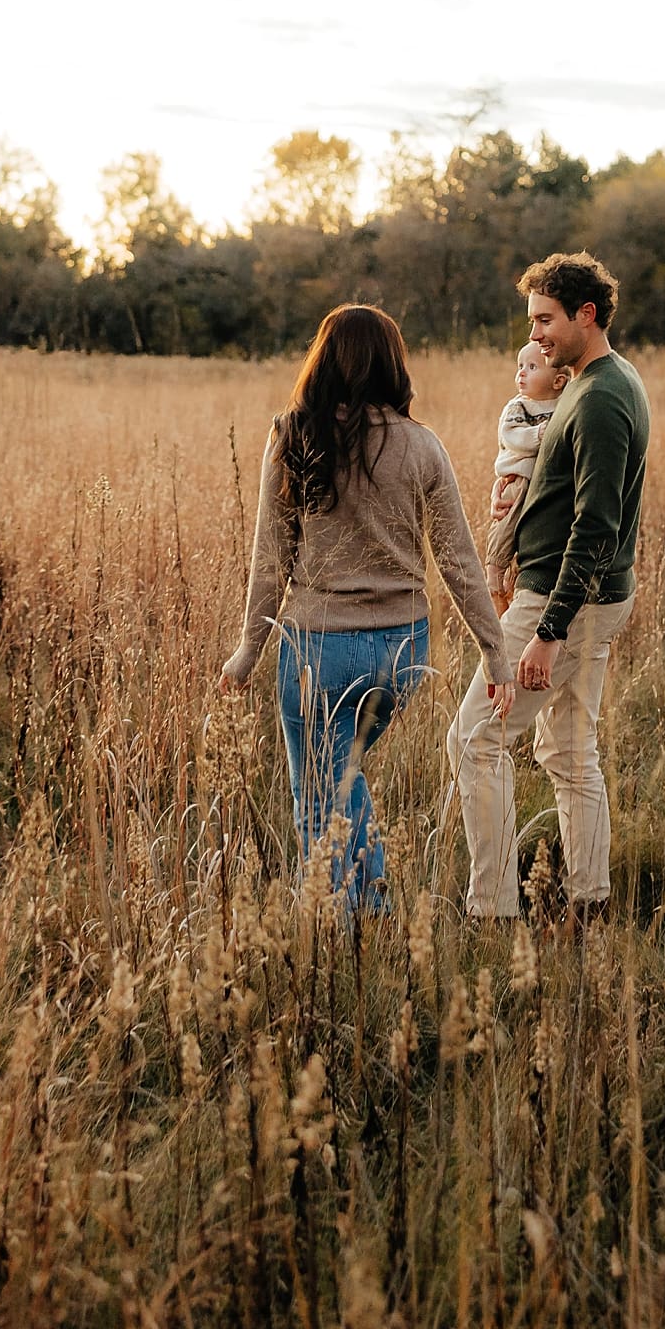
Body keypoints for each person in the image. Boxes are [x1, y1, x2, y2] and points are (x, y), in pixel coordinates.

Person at [220, 303, 514, 908]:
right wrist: (496, 651)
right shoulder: (422, 446)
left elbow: (270, 557)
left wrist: (250, 649)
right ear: (392, 364)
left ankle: (355, 918)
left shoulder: (293, 436)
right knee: (340, 777)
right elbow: (458, 560)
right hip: (400, 652)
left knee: (319, 790)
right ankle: (361, 912)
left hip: (316, 650)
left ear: (322, 360)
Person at [448, 251, 649, 921]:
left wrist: (548, 633)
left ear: (585, 316)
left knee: (475, 737)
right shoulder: (594, 385)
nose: (534, 335)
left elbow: (596, 526)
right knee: (568, 749)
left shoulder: (598, 400)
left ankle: (493, 909)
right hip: (580, 595)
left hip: (568, 600)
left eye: (545, 320)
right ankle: (590, 903)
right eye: (532, 321)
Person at [484, 341, 570, 606]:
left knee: (529, 534)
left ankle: (515, 578)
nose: (521, 373)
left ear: (558, 381)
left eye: (532, 367)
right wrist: (540, 434)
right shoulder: (518, 406)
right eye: (520, 366)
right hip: (518, 479)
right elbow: (512, 436)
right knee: (506, 524)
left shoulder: (563, 405)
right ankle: (494, 573)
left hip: (542, 483)